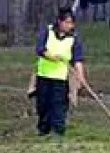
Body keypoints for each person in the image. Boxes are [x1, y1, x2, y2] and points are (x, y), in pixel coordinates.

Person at [34, 8, 86, 137]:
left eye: (71, 23)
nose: (69, 26)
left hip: (61, 78)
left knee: (59, 105)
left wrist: (81, 76)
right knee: (43, 105)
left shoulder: (74, 38)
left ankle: (58, 132)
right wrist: (51, 56)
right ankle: (43, 131)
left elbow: (77, 59)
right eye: (67, 22)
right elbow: (40, 49)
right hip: (44, 75)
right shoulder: (48, 31)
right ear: (59, 21)